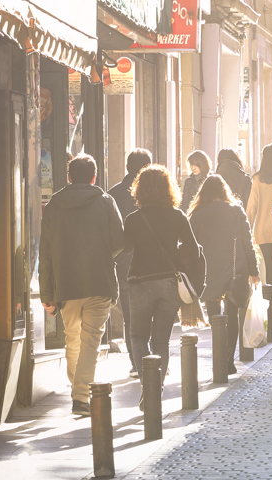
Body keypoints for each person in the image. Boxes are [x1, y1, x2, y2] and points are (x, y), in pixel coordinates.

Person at [37, 154, 126, 416]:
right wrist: (101, 254)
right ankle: (80, 395)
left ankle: (78, 392)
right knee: (89, 342)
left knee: (73, 339)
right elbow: (119, 241)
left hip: (67, 284)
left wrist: (46, 292)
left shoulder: (54, 205)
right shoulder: (106, 202)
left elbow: (46, 251)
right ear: (94, 177)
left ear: (68, 177)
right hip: (99, 282)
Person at [124, 165, 203, 378]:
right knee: (160, 340)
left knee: (138, 335)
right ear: (169, 188)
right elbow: (194, 251)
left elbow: (126, 248)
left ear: (140, 190)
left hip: (140, 282)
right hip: (170, 282)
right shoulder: (177, 216)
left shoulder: (133, 219)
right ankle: (156, 388)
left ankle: (147, 384)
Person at [191, 176, 258, 380]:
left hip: (208, 275)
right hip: (235, 273)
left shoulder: (198, 214)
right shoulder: (236, 211)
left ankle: (219, 358)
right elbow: (248, 242)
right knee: (232, 315)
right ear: (224, 191)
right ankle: (228, 360)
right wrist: (254, 271)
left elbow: (189, 246)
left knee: (216, 320)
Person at [108, 149, 152, 359]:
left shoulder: (113, 193)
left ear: (127, 167)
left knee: (129, 314)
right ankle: (151, 359)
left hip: (123, 260)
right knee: (150, 311)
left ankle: (136, 360)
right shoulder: (159, 192)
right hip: (151, 261)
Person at [248, 146, 272, 329]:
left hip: (262, 229)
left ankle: (271, 303)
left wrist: (247, 227)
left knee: (269, 265)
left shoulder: (257, 179)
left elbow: (252, 206)